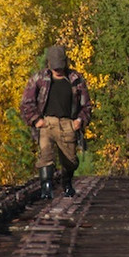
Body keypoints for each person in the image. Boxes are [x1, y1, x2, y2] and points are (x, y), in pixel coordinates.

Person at [20, 45, 93, 199]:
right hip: (46, 123)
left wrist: (80, 120)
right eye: (55, 67)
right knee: (45, 154)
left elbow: (86, 105)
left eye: (60, 66)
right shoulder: (39, 79)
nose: (58, 70)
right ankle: (46, 187)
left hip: (68, 123)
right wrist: (36, 120)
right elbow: (26, 103)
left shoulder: (75, 79)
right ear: (49, 64)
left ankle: (67, 184)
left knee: (70, 160)